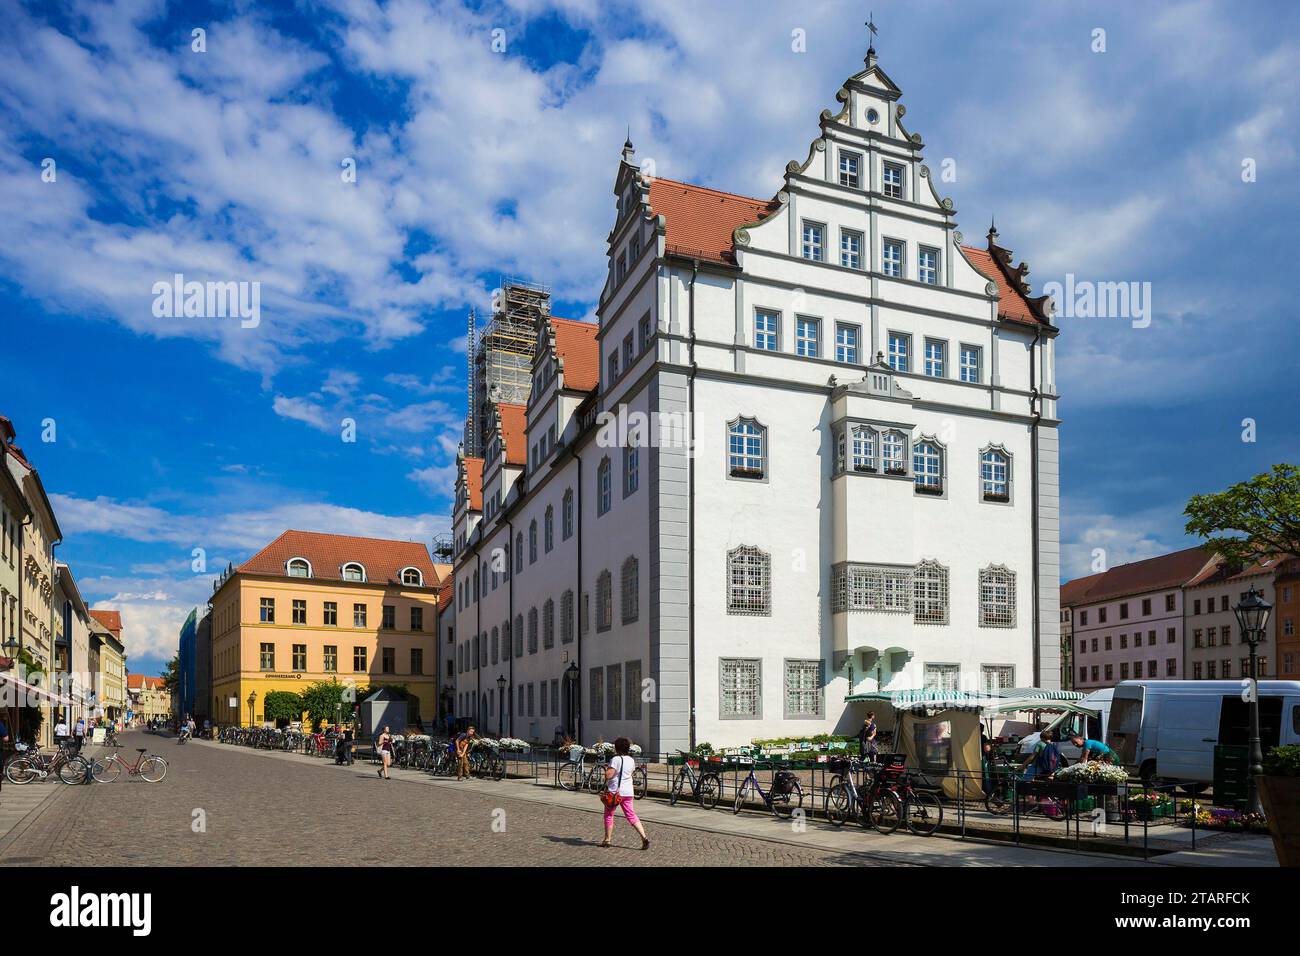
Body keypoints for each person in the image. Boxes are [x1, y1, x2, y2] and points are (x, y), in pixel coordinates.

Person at [600, 737, 650, 850]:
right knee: (631, 815)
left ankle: (607, 840)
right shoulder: (631, 760)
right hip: (628, 792)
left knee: (609, 815)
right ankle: (644, 837)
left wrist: (607, 768)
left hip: (615, 792)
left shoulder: (616, 759)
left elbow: (608, 775)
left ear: (617, 748)